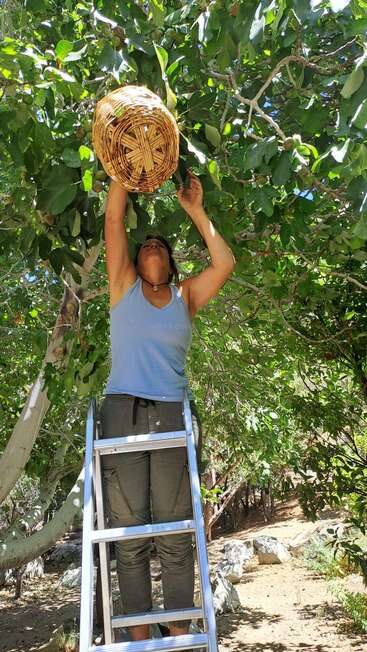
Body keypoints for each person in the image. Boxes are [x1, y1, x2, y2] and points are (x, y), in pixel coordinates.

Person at [100, 170, 235, 642]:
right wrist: (122, 168)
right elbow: (114, 218)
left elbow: (224, 263)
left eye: (161, 245)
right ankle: (139, 637)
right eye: (145, 246)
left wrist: (197, 211)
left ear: (172, 263)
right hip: (123, 412)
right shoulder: (123, 288)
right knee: (130, 532)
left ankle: (177, 631)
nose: (152, 247)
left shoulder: (185, 296)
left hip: (173, 415)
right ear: (135, 262)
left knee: (177, 532)